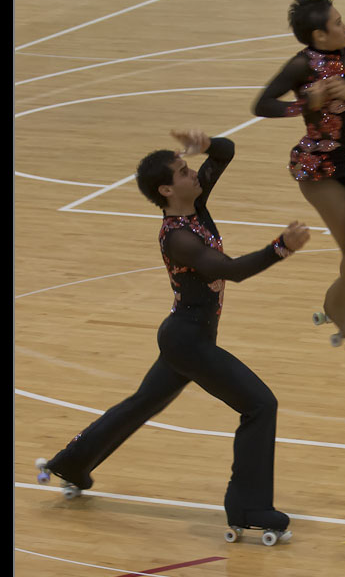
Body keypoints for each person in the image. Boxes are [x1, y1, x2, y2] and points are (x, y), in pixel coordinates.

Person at [37, 129, 310, 539]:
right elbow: (229, 270)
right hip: (188, 341)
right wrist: (280, 247)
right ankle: (248, 507)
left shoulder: (194, 202)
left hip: (187, 335)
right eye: (183, 171)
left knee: (142, 404)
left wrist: (207, 145)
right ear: (166, 190)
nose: (193, 173)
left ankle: (72, 464)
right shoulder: (178, 237)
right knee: (259, 405)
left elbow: (226, 152)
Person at [253, 0, 345, 353]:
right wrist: (306, 104)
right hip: (319, 168)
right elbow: (262, 104)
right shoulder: (300, 65)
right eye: (337, 23)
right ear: (319, 35)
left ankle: (340, 298)